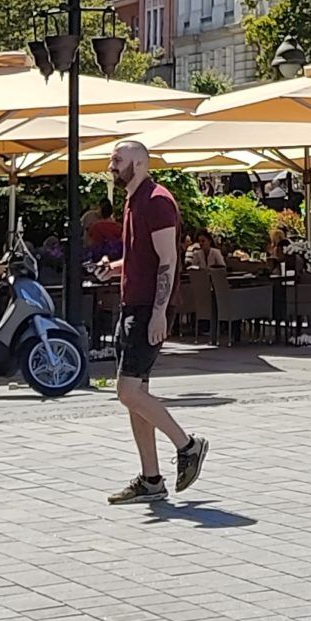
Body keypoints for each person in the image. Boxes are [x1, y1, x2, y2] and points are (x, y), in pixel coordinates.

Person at [104, 139, 207, 504]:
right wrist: (115, 268)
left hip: (148, 309)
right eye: (112, 159)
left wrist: (160, 313)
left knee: (128, 391)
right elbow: (143, 257)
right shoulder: (133, 202)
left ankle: (188, 445)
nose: (112, 165)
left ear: (141, 164)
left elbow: (168, 260)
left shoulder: (158, 201)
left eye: (118, 159)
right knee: (136, 396)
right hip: (132, 306)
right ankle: (151, 480)